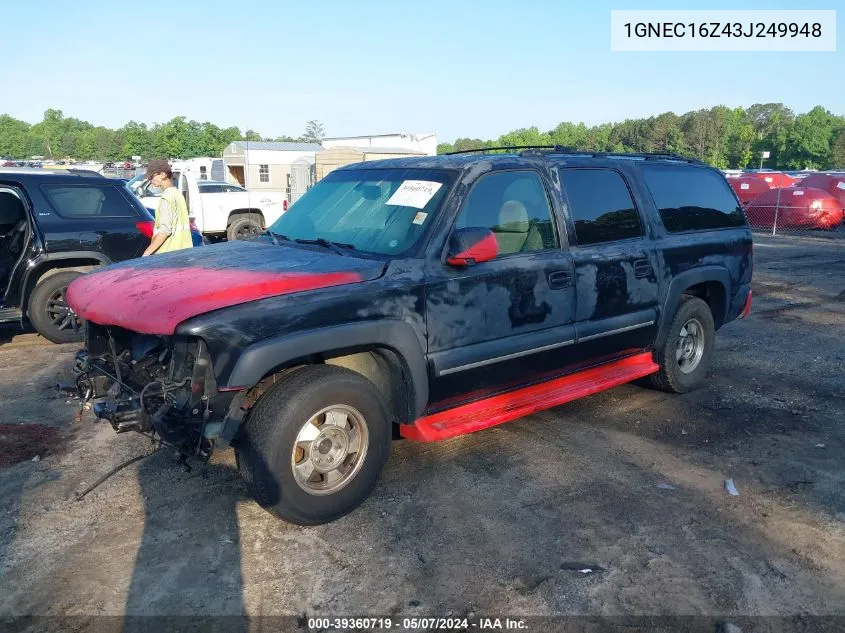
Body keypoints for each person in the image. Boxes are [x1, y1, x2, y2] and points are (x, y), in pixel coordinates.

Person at [142, 159, 193, 256]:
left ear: (162, 175)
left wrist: (146, 254)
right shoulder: (177, 194)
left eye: (152, 177)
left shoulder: (166, 197)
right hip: (183, 252)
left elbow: (164, 232)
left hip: (167, 254)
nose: (150, 180)